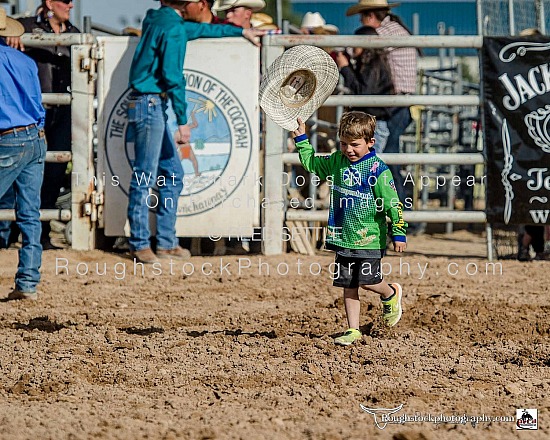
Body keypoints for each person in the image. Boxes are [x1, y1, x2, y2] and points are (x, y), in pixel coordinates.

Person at [127, 0, 264, 264]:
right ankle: (141, 243)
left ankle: (163, 243)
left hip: (147, 103)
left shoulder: (158, 20)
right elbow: (173, 75)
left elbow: (201, 31)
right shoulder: (174, 28)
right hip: (152, 103)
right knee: (149, 173)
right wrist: (181, 119)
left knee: (169, 172)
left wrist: (238, 31)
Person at [292, 112, 407, 346]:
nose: (348, 149)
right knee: (348, 285)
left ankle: (389, 293)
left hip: (369, 238)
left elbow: (392, 203)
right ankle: (353, 329)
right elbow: (312, 164)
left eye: (355, 144)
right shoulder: (336, 161)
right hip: (343, 236)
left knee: (367, 281)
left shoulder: (377, 170)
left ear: (370, 143)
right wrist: (302, 139)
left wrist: (398, 231)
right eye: (344, 144)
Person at [4, 0, 80, 250]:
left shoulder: (74, 34)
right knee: (21, 177)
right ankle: (9, 234)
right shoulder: (27, 27)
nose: (69, 5)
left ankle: (41, 234)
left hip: (57, 112)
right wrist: (14, 39)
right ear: (49, 2)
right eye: (64, 0)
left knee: (53, 174)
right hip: (32, 113)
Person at [347, 0, 417, 200]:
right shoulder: (395, 29)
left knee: (386, 161)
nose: (361, 23)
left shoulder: (383, 33)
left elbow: (356, 48)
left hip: (394, 105)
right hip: (397, 104)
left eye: (362, 18)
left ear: (370, 17)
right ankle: (399, 210)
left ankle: (401, 210)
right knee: (386, 159)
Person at [0, 9, 47, 300]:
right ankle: (28, 282)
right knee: (30, 214)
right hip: (35, 135)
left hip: (7, 139)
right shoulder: (25, 61)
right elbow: (36, 102)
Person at [335, 25, 394, 152]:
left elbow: (363, 92)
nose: (353, 47)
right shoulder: (373, 63)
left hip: (372, 125)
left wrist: (345, 68)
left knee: (366, 167)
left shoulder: (373, 65)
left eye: (356, 43)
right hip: (371, 123)